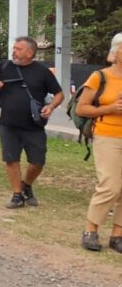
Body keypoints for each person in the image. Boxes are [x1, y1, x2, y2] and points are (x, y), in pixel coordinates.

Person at [0, 36, 64, 210]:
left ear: (30, 52)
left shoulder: (42, 72)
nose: (14, 51)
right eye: (14, 48)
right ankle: (17, 194)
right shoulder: (4, 66)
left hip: (33, 125)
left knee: (38, 161)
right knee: (11, 159)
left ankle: (27, 184)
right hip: (8, 123)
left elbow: (59, 94)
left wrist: (50, 107)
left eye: (18, 49)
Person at [79, 33, 122, 253]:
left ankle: (118, 234)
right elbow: (82, 108)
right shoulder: (100, 76)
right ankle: (90, 230)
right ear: (116, 52)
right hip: (107, 135)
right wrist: (110, 109)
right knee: (110, 186)